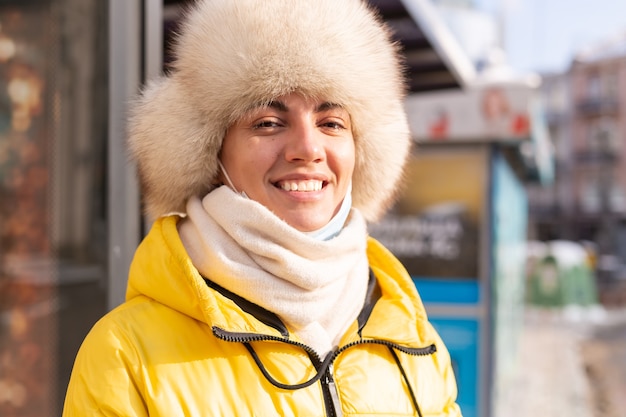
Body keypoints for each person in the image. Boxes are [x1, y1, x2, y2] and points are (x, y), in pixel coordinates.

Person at [62, 0, 462, 416]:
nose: (308, 149)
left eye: (332, 123)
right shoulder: (126, 354)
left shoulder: (414, 343)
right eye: (268, 122)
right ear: (211, 155)